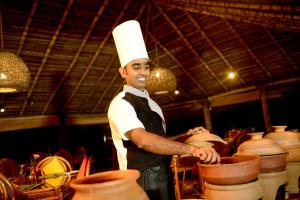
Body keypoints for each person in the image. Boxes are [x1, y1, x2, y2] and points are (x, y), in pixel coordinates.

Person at [107, 20, 220, 200]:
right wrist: (191, 149)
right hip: (140, 178)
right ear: (123, 72)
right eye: (136, 67)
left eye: (146, 66)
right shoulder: (120, 103)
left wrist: (186, 135)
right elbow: (143, 140)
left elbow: (160, 140)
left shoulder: (153, 104)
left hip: (162, 173)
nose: (143, 72)